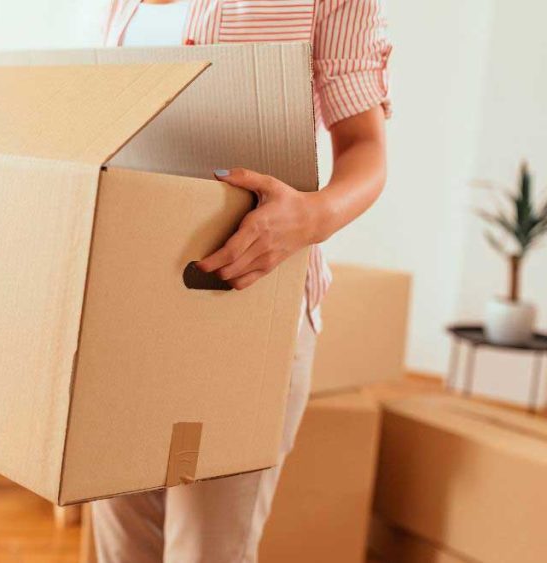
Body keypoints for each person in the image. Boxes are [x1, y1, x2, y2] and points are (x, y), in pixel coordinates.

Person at [93, 1, 391, 562]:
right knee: (122, 546)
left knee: (207, 551)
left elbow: (366, 148)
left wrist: (313, 216)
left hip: (250, 308)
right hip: (125, 309)